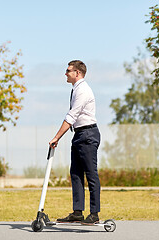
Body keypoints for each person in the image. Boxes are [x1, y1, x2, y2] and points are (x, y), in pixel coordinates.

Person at [49, 60, 101, 225]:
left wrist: (56, 137)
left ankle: (94, 214)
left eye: (68, 70)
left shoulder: (83, 91)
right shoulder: (76, 90)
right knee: (76, 174)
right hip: (79, 134)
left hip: (88, 134)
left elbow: (71, 116)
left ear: (77, 73)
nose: (66, 73)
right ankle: (77, 212)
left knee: (91, 175)